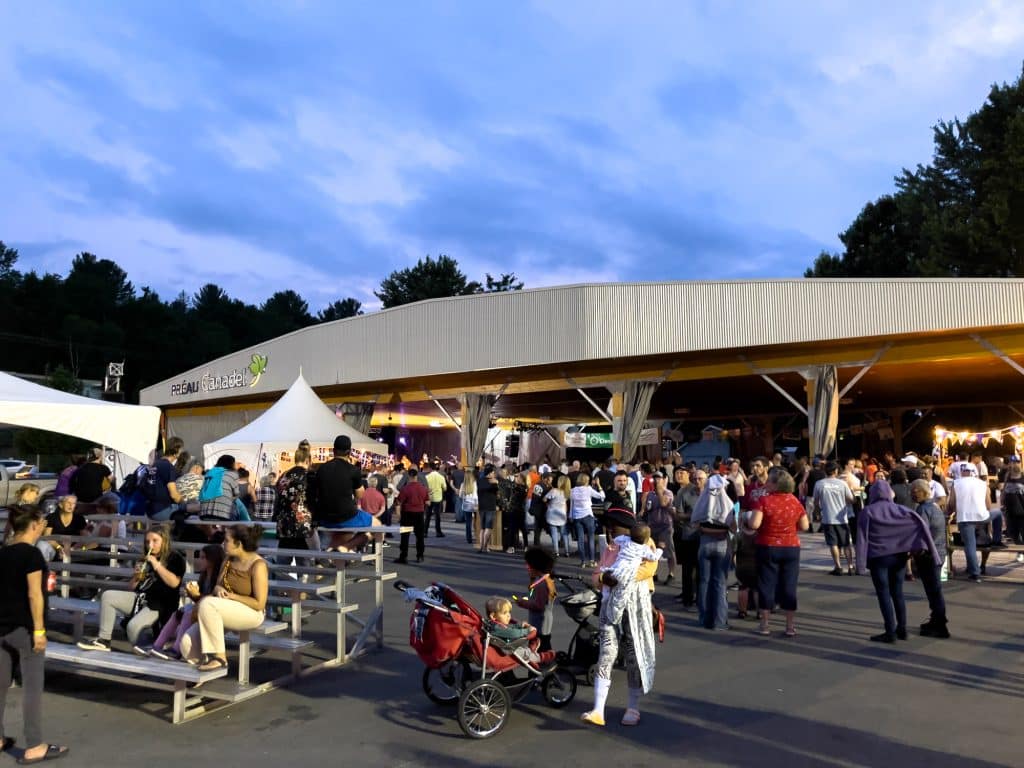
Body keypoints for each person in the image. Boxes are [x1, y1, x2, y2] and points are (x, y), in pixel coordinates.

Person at [0, 505, 70, 764]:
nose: (43, 527)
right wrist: (39, 630)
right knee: (32, 688)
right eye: (41, 523)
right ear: (33, 525)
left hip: (2, 628)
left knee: (0, 686)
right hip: (24, 629)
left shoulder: (2, 553)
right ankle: (34, 745)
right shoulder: (31, 556)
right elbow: (34, 594)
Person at [581, 507, 657, 728]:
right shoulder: (611, 547)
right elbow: (596, 575)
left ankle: (633, 706)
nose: (610, 531)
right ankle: (598, 709)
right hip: (609, 607)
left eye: (613, 527)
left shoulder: (644, 543)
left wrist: (617, 576)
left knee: (633, 655)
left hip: (635, 609)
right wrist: (604, 576)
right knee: (606, 653)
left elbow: (649, 569)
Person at [77, 525, 186, 651]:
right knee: (108, 595)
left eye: (155, 541)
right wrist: (136, 577)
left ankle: (150, 647)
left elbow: (174, 583)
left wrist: (156, 564)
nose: (150, 545)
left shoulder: (175, 558)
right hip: (141, 599)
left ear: (164, 541)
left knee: (132, 627)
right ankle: (104, 640)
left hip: (160, 604)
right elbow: (132, 588)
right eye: (147, 541)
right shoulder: (144, 559)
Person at [857, 479, 941, 643]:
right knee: (898, 592)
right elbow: (919, 526)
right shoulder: (902, 510)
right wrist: (913, 548)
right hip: (899, 557)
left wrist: (860, 564)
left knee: (883, 594)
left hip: (878, 558)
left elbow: (861, 539)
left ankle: (890, 631)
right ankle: (902, 629)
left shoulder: (867, 512)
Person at [180, 525, 269, 671]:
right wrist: (219, 589)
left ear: (238, 544)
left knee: (208, 604)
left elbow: (259, 604)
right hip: (225, 609)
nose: (223, 544)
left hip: (252, 612)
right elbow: (217, 587)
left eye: (227, 540)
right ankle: (201, 672)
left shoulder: (258, 565)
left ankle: (220, 658)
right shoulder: (228, 560)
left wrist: (232, 596)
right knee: (187, 643)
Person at [749, 469, 809, 637]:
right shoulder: (795, 501)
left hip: (768, 545)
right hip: (791, 546)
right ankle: (790, 625)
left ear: (776, 484)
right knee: (789, 585)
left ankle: (765, 624)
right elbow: (805, 526)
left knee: (766, 584)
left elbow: (754, 524)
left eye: (769, 481)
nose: (766, 484)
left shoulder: (763, 501)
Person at [146, 544, 226, 660]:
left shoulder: (218, 578)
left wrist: (196, 596)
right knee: (178, 614)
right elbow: (200, 600)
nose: (199, 561)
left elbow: (211, 600)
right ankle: (157, 646)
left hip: (211, 614)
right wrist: (192, 595)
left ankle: (176, 650)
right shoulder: (204, 576)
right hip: (201, 609)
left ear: (212, 560)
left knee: (188, 613)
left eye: (203, 558)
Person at [308, 435, 374, 552]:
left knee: (340, 535)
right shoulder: (354, 470)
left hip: (324, 517)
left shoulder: (322, 469)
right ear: (349, 452)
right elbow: (360, 495)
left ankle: (335, 552)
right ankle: (345, 547)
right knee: (377, 526)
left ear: (334, 450)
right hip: (346, 516)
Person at [691, 473, 736, 631]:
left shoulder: (702, 501)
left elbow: (695, 523)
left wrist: (705, 527)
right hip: (722, 544)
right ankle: (720, 621)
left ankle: (704, 618)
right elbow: (733, 527)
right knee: (720, 583)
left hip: (704, 543)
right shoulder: (727, 503)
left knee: (704, 581)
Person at [910, 479, 950, 638]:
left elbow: (922, 534)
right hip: (939, 551)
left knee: (934, 590)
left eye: (913, 491)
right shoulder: (935, 507)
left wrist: (915, 552)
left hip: (929, 554)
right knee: (935, 589)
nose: (912, 494)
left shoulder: (922, 510)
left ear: (920, 491)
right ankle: (937, 619)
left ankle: (939, 623)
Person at [947, 462, 989, 582]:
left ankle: (975, 573)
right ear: (973, 472)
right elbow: (989, 504)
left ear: (962, 472)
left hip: (964, 518)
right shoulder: (982, 483)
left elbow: (951, 502)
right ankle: (997, 539)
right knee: (997, 515)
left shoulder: (956, 483)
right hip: (982, 517)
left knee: (970, 545)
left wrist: (950, 513)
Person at [813, 462, 855, 575]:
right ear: (836, 471)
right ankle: (851, 567)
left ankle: (838, 566)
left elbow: (816, 502)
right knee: (846, 543)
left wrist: (817, 513)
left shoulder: (819, 484)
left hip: (827, 518)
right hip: (842, 518)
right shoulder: (842, 483)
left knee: (833, 543)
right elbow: (851, 500)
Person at [513, 547, 556, 652]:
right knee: (543, 646)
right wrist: (531, 579)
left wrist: (522, 602)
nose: (527, 567)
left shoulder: (542, 585)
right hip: (541, 622)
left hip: (540, 623)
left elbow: (538, 605)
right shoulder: (543, 580)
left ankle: (544, 665)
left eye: (529, 564)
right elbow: (531, 592)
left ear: (536, 566)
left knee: (540, 649)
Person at [37, 495, 90, 562]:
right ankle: (45, 570)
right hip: (54, 547)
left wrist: (71, 549)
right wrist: (59, 548)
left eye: (73, 503)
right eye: (68, 502)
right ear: (60, 504)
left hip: (74, 548)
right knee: (42, 545)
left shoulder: (79, 518)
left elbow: (84, 538)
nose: (71, 505)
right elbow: (47, 536)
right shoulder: (51, 517)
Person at [395, 467, 429, 564]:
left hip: (407, 513)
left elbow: (399, 501)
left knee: (405, 536)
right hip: (419, 513)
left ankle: (403, 556)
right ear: (417, 476)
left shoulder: (405, 489)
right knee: (420, 536)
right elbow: (427, 501)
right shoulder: (423, 488)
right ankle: (420, 555)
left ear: (409, 476)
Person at [570, 472, 605, 567]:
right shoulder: (588, 489)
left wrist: (571, 516)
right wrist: (599, 485)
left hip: (577, 516)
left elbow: (572, 505)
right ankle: (592, 560)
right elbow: (602, 496)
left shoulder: (572, 490)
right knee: (591, 538)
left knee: (580, 540)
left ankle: (582, 562)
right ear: (586, 481)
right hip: (588, 515)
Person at [543, 475, 571, 557]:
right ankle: (567, 551)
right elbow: (565, 504)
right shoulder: (567, 493)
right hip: (562, 514)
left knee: (554, 534)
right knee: (564, 534)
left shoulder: (554, 491)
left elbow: (544, 499)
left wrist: (548, 503)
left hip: (552, 514)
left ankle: (556, 551)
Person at [476, 465, 499, 553]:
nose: (494, 474)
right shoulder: (493, 483)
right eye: (493, 473)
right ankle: (485, 546)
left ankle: (482, 546)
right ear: (489, 473)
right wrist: (496, 483)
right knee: (488, 527)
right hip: (490, 506)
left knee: (482, 528)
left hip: (481, 506)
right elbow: (497, 493)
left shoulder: (479, 481)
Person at [423, 463, 447, 537]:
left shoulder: (426, 477)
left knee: (427, 516)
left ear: (430, 468)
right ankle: (438, 532)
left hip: (429, 498)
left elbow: (424, 487)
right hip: (438, 498)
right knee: (437, 516)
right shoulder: (441, 477)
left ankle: (425, 532)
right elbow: (445, 488)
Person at [457, 471, 478, 545]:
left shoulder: (463, 484)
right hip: (475, 504)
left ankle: (469, 538)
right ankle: (477, 535)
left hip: (466, 505)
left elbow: (460, 496)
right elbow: (476, 495)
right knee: (477, 521)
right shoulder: (475, 483)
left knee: (468, 523)